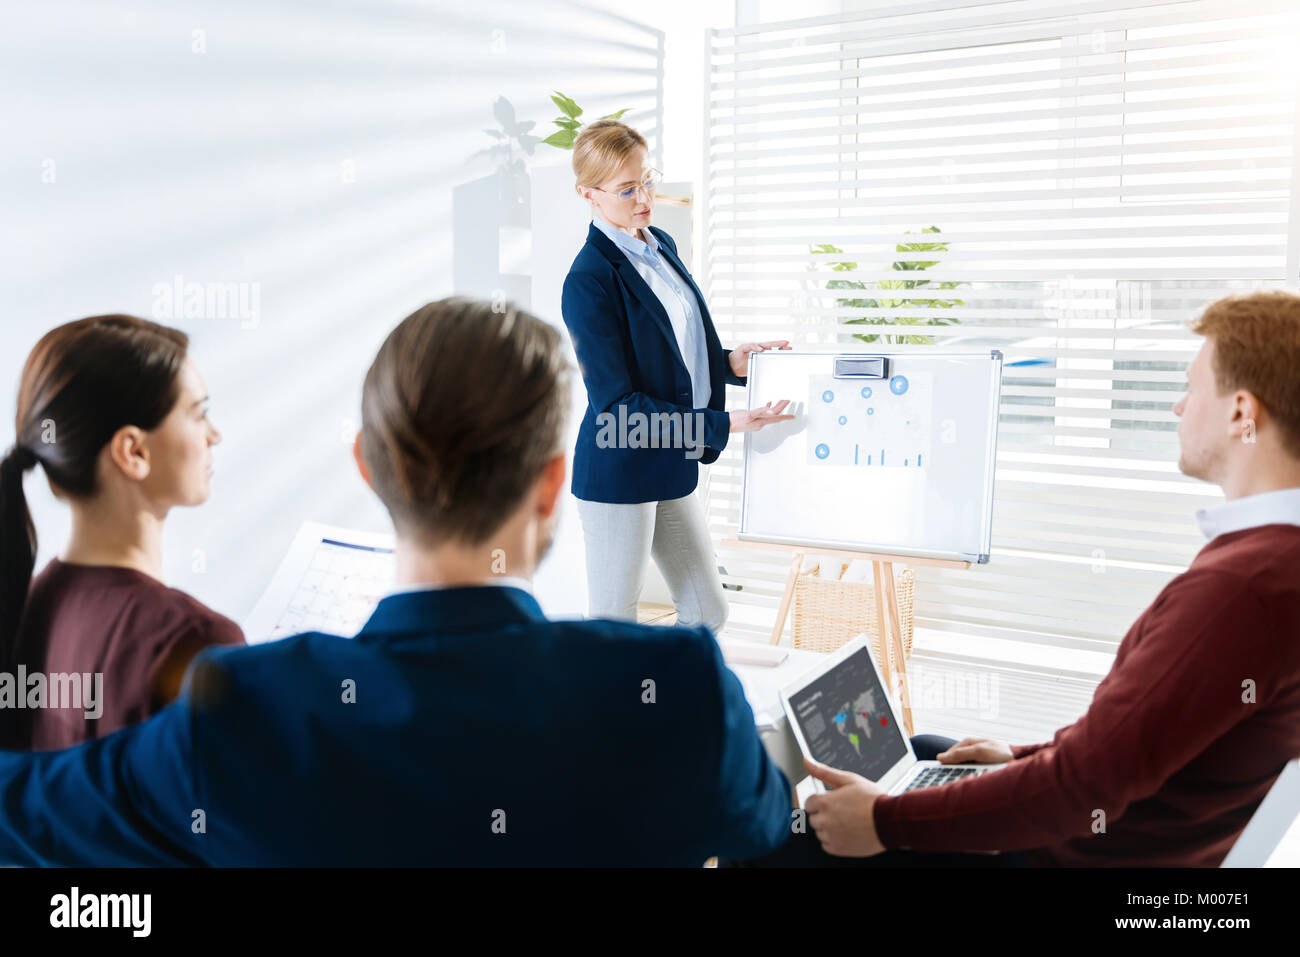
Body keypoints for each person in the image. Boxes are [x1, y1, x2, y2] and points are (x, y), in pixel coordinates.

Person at [0, 296, 794, 866]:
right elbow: (771, 825)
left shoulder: (236, 709)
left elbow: (30, 804)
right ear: (554, 483)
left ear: (369, 472)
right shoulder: (681, 686)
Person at [754, 289, 1300, 867]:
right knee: (922, 751)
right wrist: (1021, 757)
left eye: (1192, 389)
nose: (1177, 408)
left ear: (1242, 412)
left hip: (1076, 856)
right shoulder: (1270, 563)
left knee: (775, 832)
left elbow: (1083, 787)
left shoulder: (1243, 589)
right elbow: (1137, 739)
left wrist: (885, 823)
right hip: (1140, 835)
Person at [562, 119, 795, 633]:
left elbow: (676, 350)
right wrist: (724, 424)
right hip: (620, 466)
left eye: (647, 180)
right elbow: (619, 408)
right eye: (627, 189)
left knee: (707, 611)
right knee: (613, 626)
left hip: (669, 460)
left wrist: (730, 363)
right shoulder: (588, 281)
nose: (644, 198)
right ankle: (611, 713)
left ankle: (663, 704)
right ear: (589, 195)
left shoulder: (659, 243)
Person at [0, 315, 243, 751]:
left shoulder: (21, 608)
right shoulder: (194, 643)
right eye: (198, 413)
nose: (215, 435)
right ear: (133, 451)